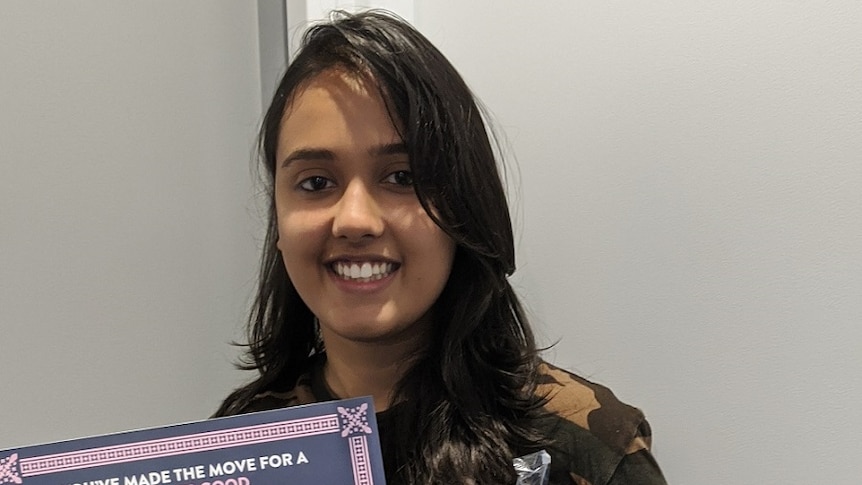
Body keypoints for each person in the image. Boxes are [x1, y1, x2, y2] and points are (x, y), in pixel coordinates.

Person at [215, 10, 666, 485]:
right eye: (315, 182)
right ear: (279, 222)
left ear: (463, 207)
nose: (354, 220)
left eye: (402, 177)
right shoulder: (237, 447)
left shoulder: (578, 444)